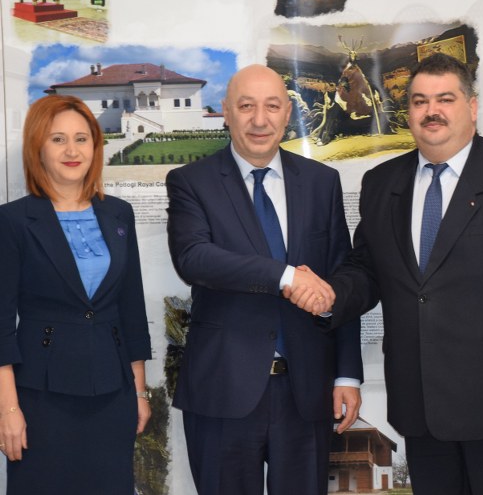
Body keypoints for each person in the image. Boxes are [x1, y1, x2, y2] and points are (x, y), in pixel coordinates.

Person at [289, 53, 483, 495]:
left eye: (445, 99)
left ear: (472, 107)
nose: (432, 111)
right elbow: (367, 268)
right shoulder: (382, 182)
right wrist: (329, 295)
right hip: (420, 403)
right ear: (408, 112)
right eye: (420, 101)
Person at [165, 64, 363, 495]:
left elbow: (341, 278)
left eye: (272, 106)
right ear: (226, 112)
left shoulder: (321, 182)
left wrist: (347, 375)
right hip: (223, 390)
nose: (260, 120)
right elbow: (193, 258)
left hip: (306, 393)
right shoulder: (191, 182)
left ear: (288, 112)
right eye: (246, 106)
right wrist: (285, 276)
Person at [0, 95, 152, 493]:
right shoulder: (12, 220)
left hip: (113, 393)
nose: (72, 150)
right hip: (41, 398)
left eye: (81, 139)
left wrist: (139, 391)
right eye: (58, 139)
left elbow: (131, 308)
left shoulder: (119, 213)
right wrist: (8, 408)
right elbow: (1, 324)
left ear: (95, 147)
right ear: (37, 148)